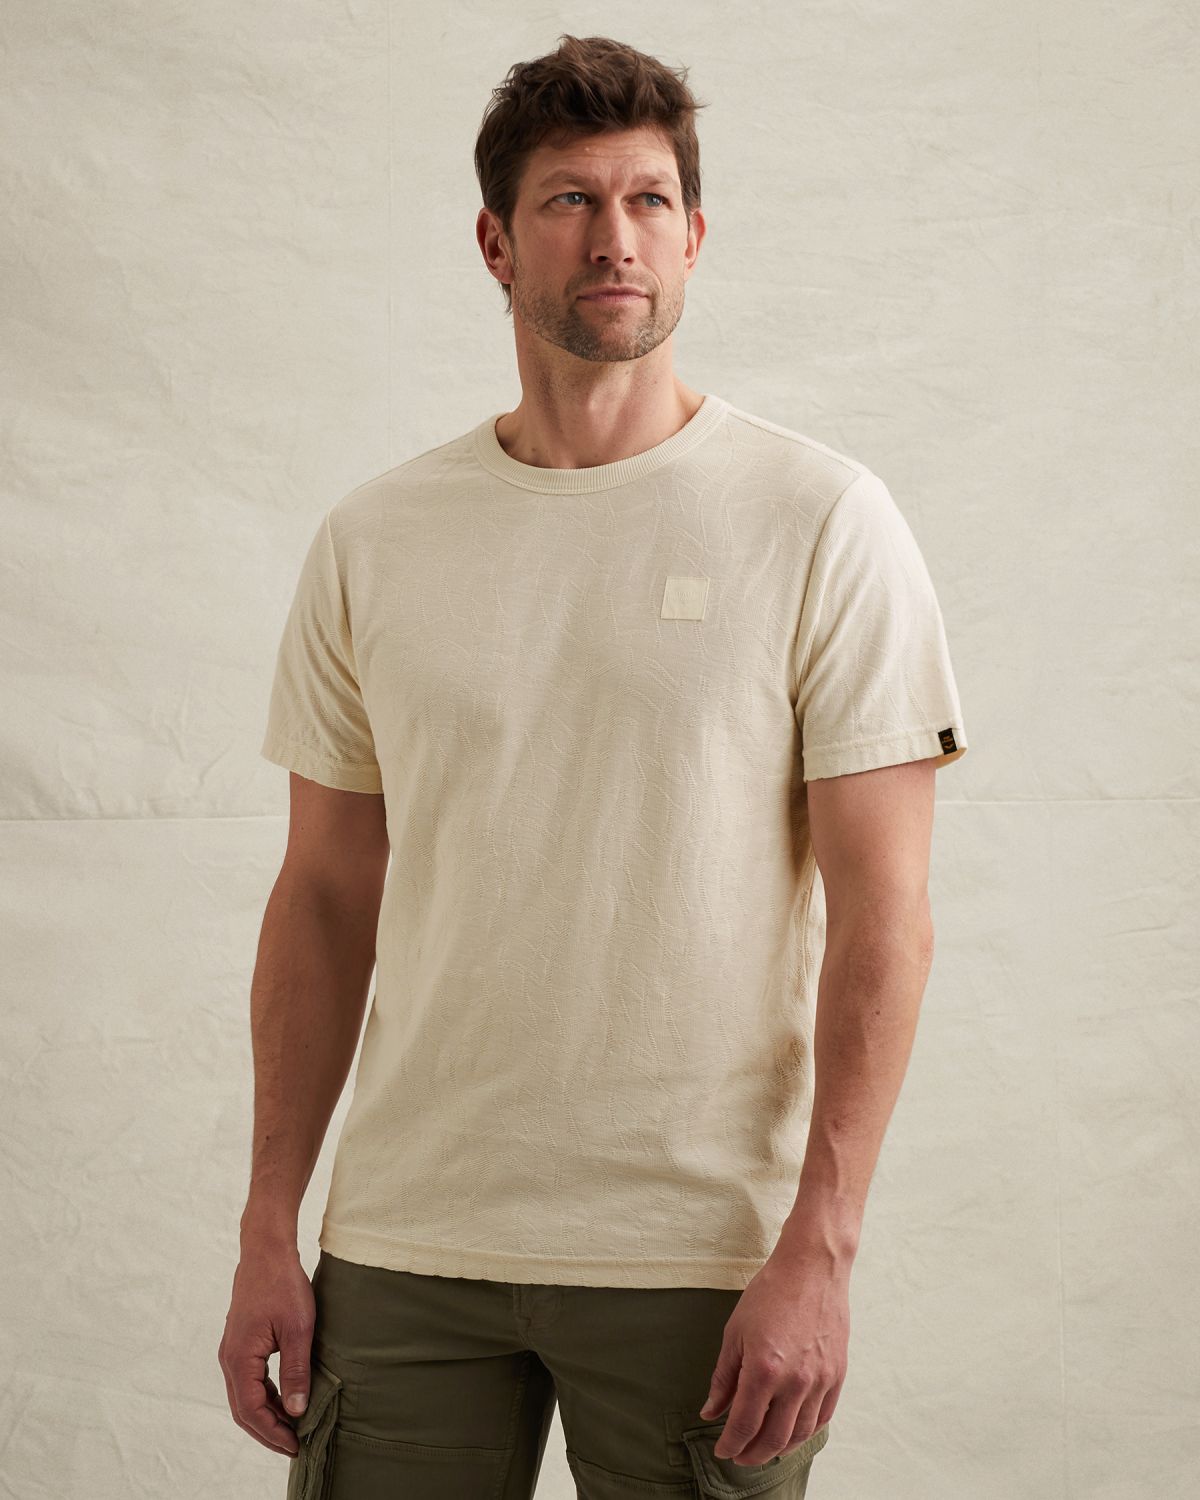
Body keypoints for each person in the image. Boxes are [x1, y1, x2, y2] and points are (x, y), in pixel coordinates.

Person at [218, 32, 969, 1500]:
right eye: (569, 200)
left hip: (699, 1258)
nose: (614, 237)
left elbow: (888, 915)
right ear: (496, 243)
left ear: (695, 236)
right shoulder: (375, 539)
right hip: (408, 1243)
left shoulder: (820, 519)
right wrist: (266, 1222)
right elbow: (322, 894)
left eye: (647, 200)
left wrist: (822, 1246)